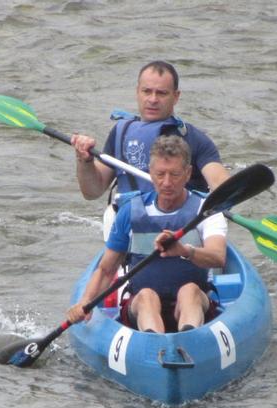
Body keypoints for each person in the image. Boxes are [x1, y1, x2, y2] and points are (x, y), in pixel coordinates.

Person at [67, 135, 226, 334]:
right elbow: (107, 270)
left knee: (190, 290)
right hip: (141, 307)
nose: (167, 182)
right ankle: (154, 343)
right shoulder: (130, 211)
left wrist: (185, 251)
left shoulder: (206, 210)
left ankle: (188, 337)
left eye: (175, 174)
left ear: (188, 174)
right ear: (150, 173)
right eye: (160, 174)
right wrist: (85, 302)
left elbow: (218, 257)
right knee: (146, 296)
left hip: (193, 304)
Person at [70, 60, 230, 236]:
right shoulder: (120, 133)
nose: (153, 99)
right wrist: (84, 160)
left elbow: (223, 187)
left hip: (181, 230)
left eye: (162, 93)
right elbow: (92, 192)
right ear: (137, 92)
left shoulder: (192, 138)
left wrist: (216, 207)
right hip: (130, 227)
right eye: (147, 91)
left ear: (176, 96)